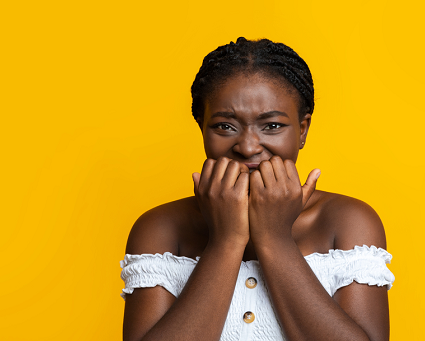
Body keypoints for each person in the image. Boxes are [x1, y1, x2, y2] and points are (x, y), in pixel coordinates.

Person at [120, 37, 395, 341]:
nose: (248, 147)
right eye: (225, 126)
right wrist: (226, 240)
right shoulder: (161, 228)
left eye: (272, 126)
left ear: (302, 130)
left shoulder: (349, 223)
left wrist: (274, 238)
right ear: (202, 127)